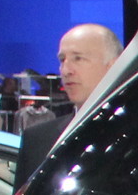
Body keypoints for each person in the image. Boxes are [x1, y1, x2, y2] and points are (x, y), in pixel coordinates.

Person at [16, 22, 122, 177]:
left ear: (113, 66)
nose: (66, 71)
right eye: (62, 60)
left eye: (78, 58)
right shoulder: (37, 141)